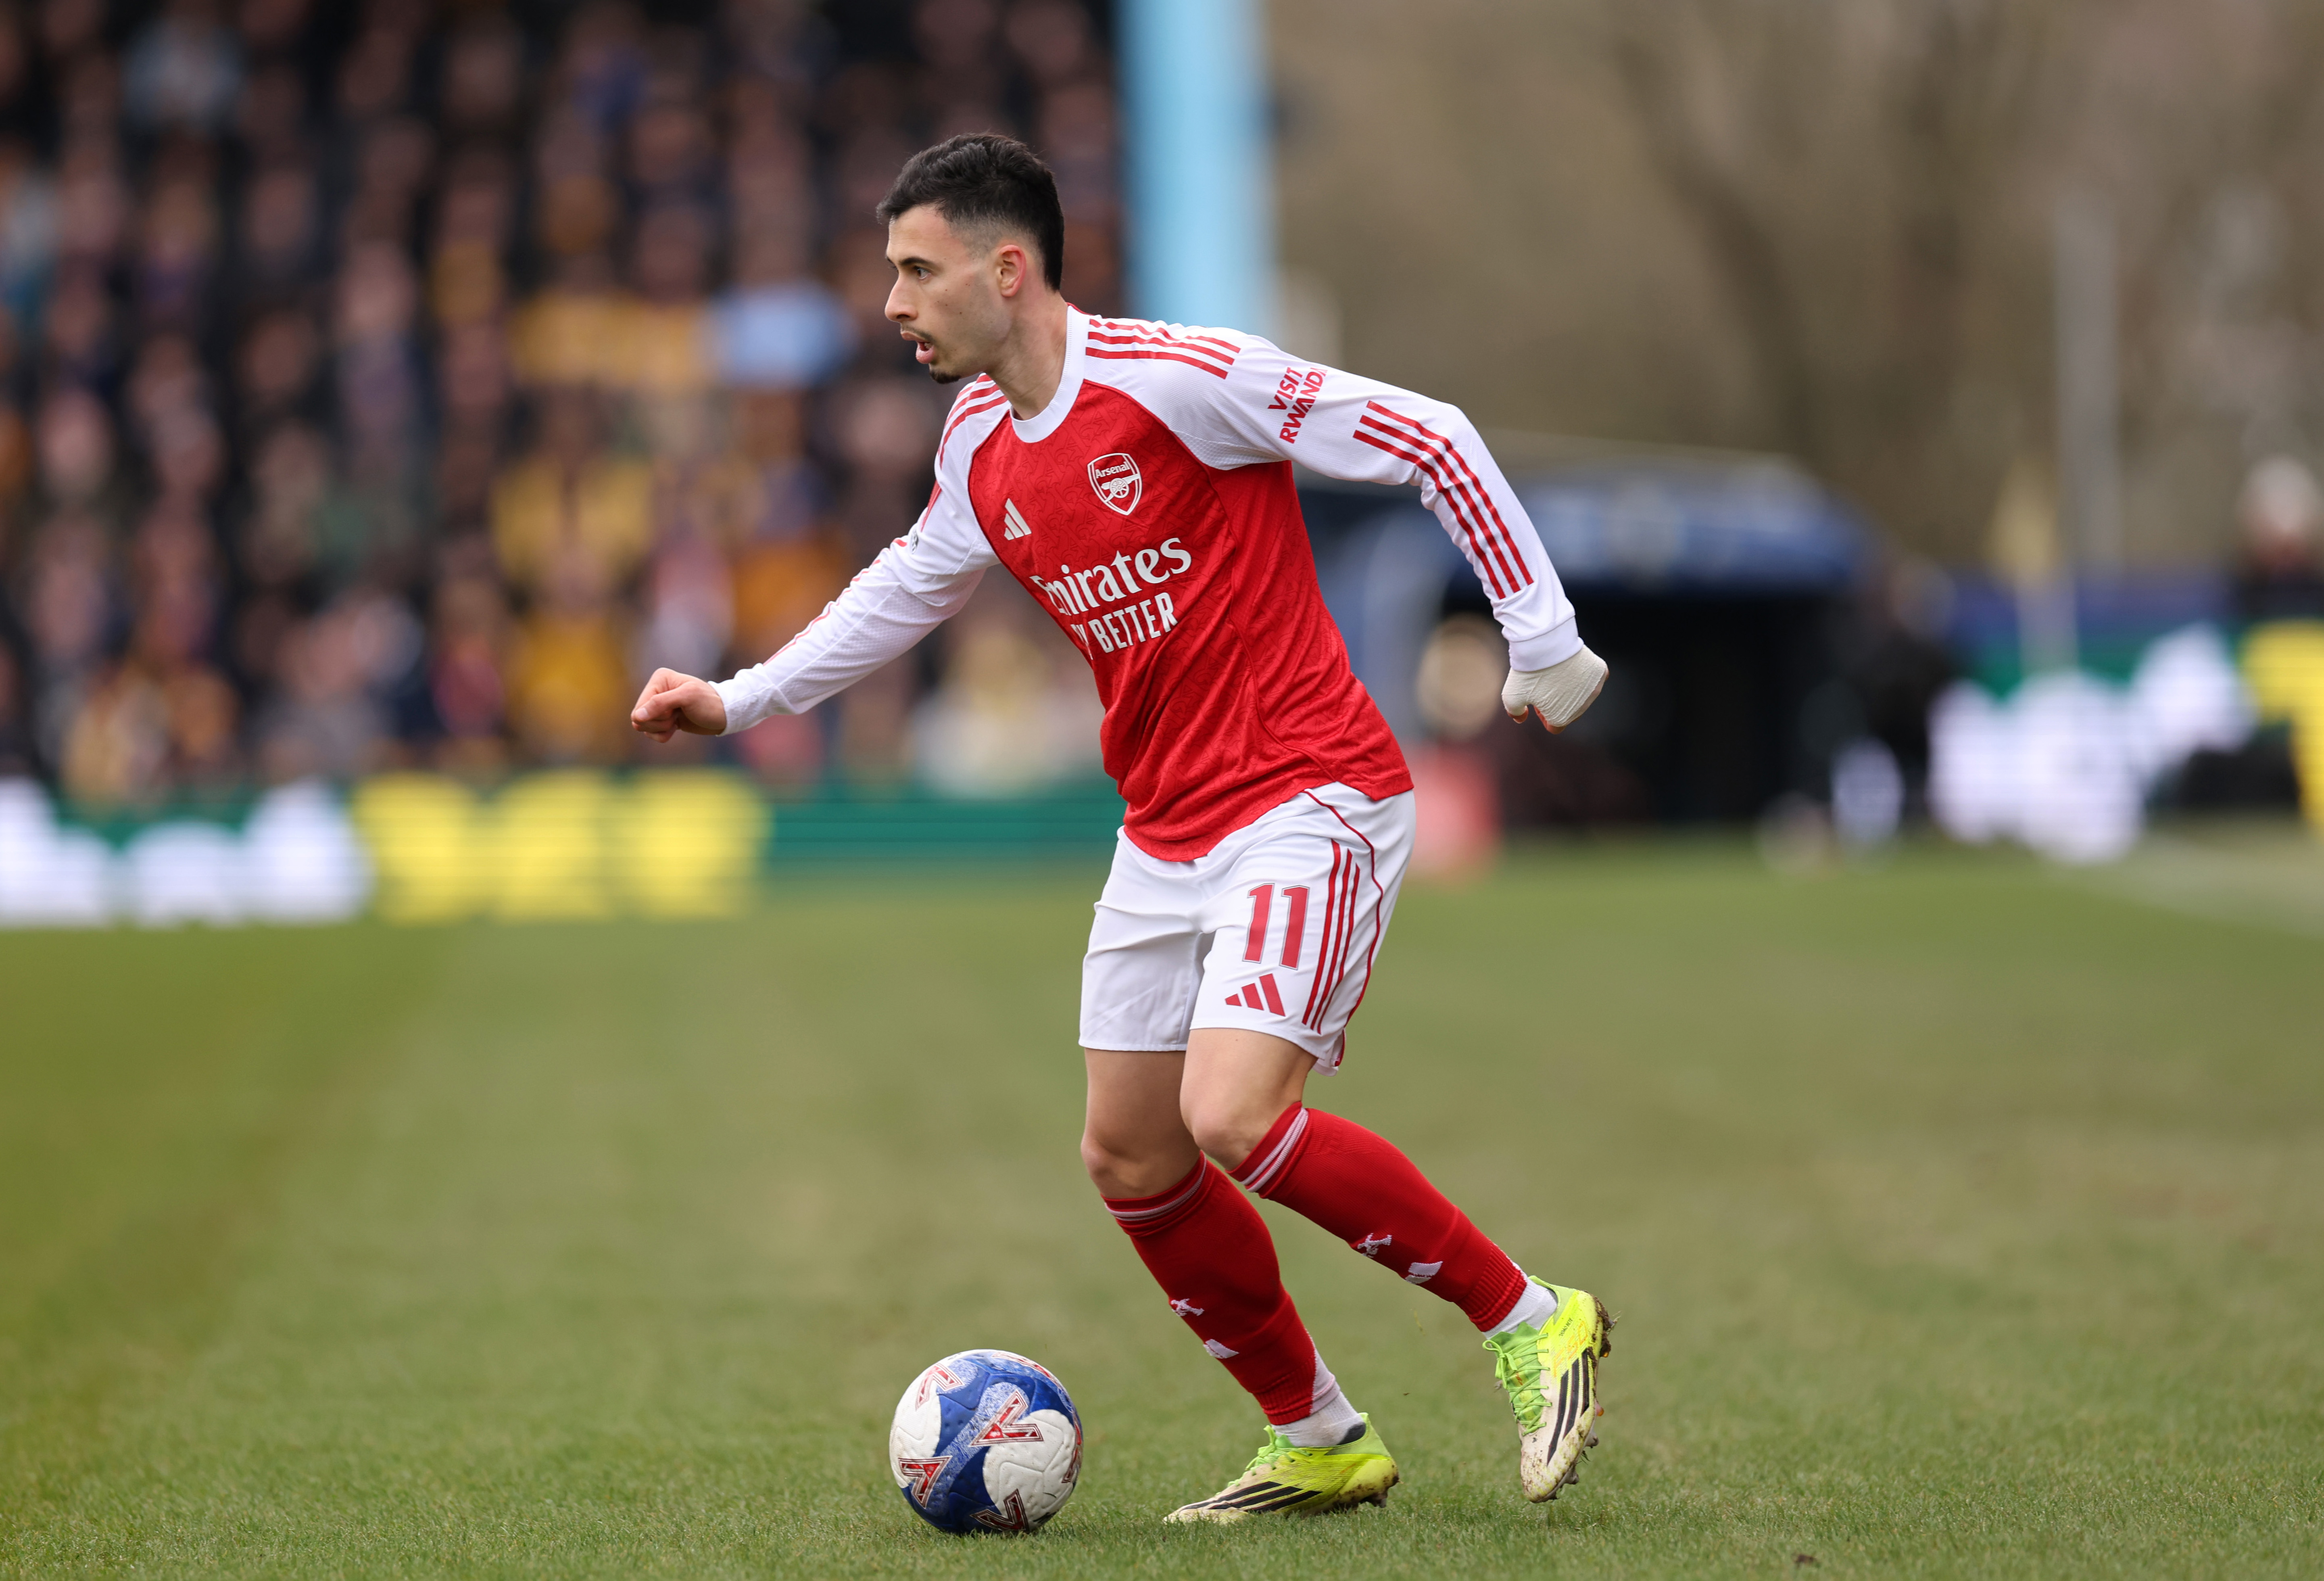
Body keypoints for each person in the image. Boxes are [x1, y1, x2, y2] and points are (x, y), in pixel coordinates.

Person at [630, 135, 1614, 1522]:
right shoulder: (979, 443)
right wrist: (735, 701)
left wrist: (1543, 639)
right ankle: (1319, 1435)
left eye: (918, 270)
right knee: (1132, 1154)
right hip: (1163, 828)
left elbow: (1430, 434)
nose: (896, 303)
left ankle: (1530, 1321)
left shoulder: (1182, 379)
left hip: (1305, 795)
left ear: (1007, 266)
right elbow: (901, 591)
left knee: (1231, 1114)